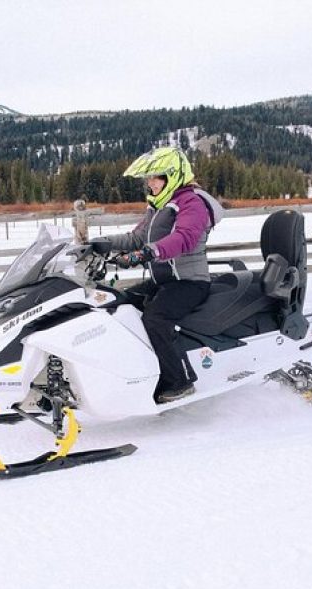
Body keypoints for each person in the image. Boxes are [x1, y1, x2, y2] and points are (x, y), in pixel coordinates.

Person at [91, 147, 222, 404]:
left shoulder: (191, 203)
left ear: (172, 176)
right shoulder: (158, 205)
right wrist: (102, 243)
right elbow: (137, 237)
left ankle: (178, 382)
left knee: (155, 318)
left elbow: (183, 238)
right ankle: (140, 373)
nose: (149, 183)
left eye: (156, 177)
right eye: (148, 178)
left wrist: (146, 254)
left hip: (189, 283)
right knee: (120, 302)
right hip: (164, 281)